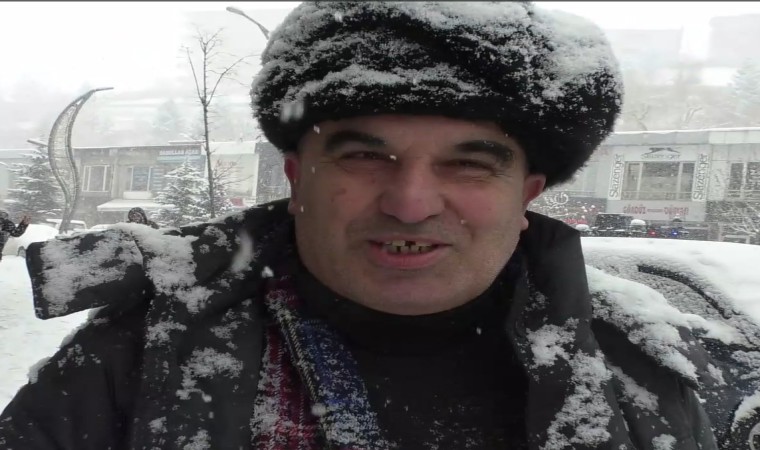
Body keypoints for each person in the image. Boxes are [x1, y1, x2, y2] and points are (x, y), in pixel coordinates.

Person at [0, 3, 749, 449]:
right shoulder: (133, 362)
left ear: (527, 194)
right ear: (297, 175)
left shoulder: (650, 375)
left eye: (469, 164)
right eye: (364, 156)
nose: (411, 203)